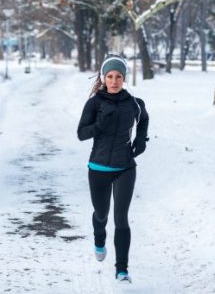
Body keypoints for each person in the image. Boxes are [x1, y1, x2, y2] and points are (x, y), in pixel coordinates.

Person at [77, 55, 149, 283]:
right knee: (101, 214)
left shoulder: (135, 103)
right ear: (103, 78)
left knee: (121, 218)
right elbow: (81, 134)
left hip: (125, 168)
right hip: (98, 168)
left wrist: (141, 139)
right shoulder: (94, 103)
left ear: (124, 78)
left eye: (118, 76)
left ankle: (122, 270)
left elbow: (144, 119)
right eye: (110, 76)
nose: (114, 81)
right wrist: (100, 125)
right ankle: (99, 238)